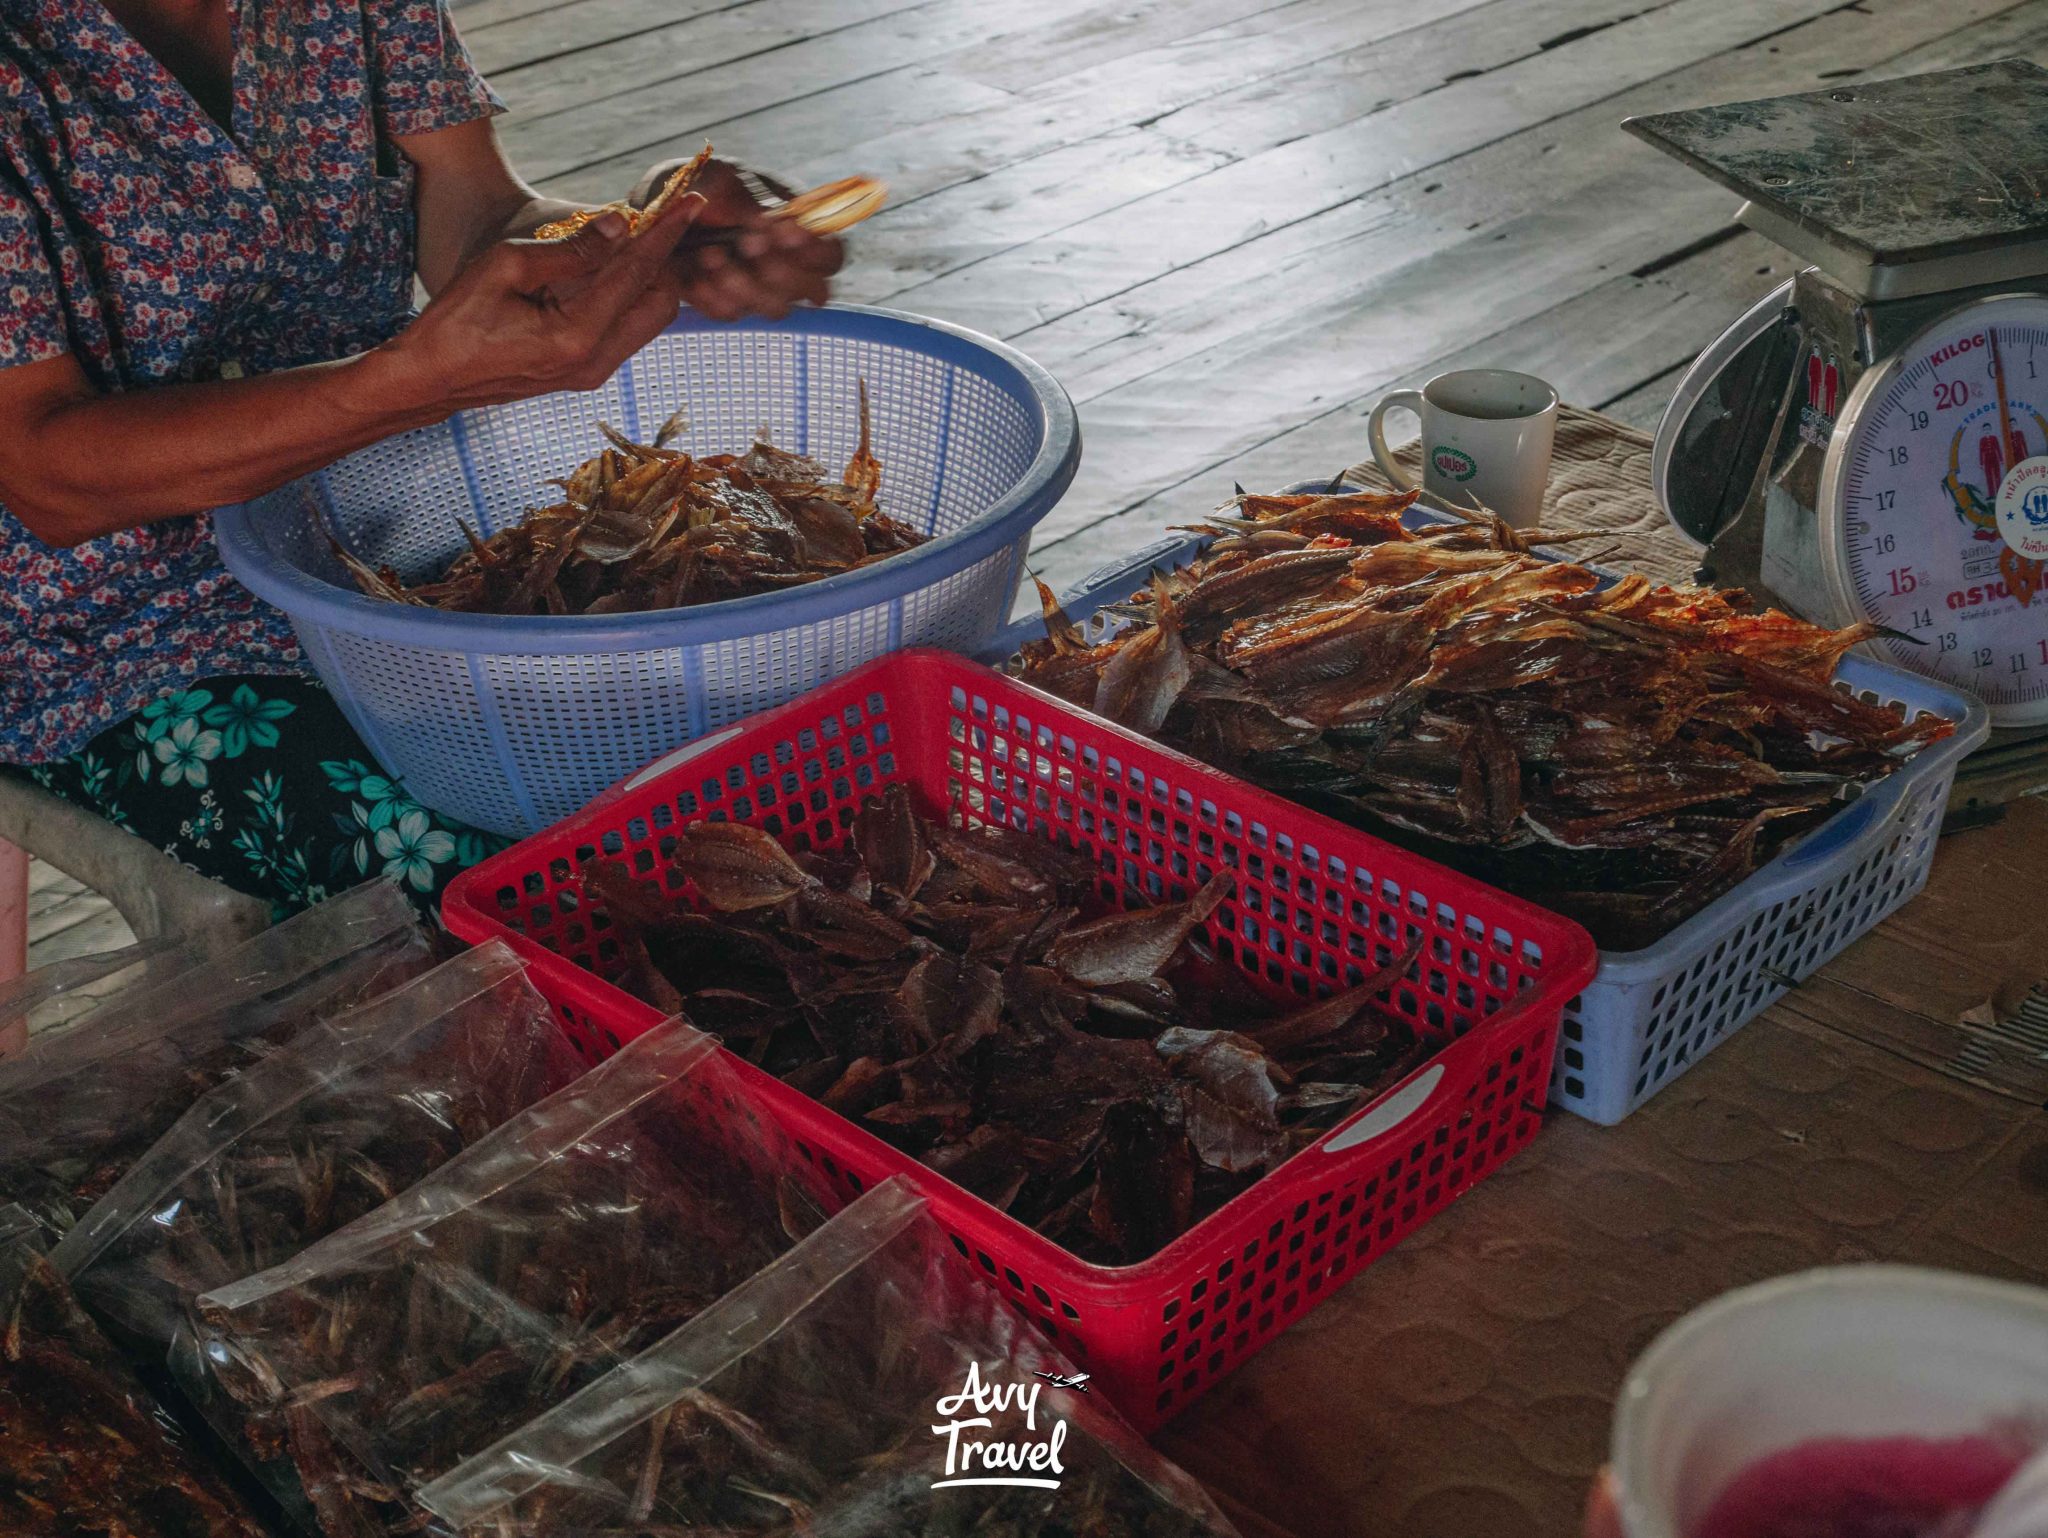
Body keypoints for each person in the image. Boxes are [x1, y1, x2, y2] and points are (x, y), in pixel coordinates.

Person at [0, 0, 842, 915]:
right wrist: (400, 385)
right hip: (117, 635)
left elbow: (481, 211)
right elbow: (47, 474)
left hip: (388, 540)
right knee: (543, 885)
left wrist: (641, 238)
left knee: (782, 751)